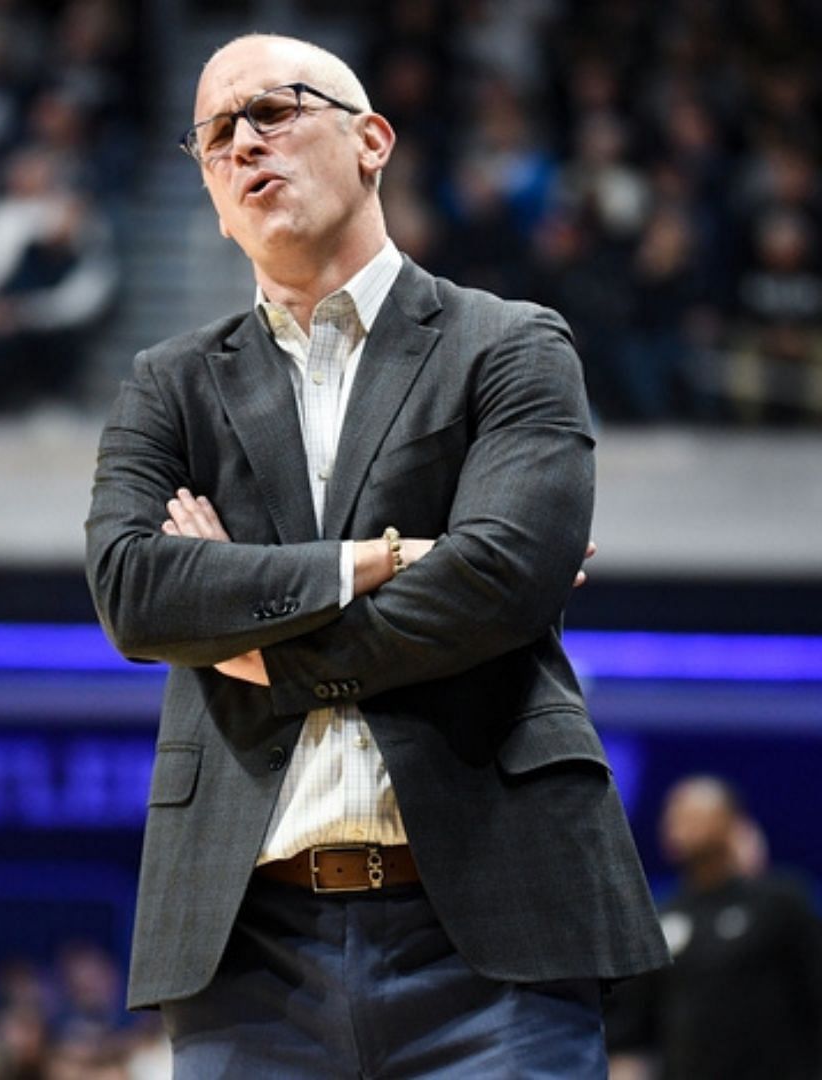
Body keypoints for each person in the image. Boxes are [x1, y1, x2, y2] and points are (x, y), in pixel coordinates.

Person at [83, 34, 667, 1077]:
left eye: (273, 111)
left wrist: (261, 646)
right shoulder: (166, 382)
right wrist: (372, 562)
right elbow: (136, 593)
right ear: (214, 198)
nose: (244, 144)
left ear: (371, 140)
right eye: (215, 135)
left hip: (496, 934)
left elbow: (499, 578)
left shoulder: (512, 343)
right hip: (246, 953)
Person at [606, 776, 822, 1079]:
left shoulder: (780, 903)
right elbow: (633, 1021)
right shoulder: (662, 916)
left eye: (693, 814)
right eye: (674, 815)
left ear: (732, 823)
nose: (678, 823)